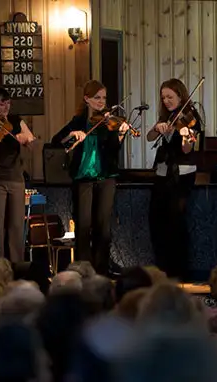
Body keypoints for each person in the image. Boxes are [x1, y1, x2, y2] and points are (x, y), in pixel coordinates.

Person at [51, 80, 131, 276]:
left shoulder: (108, 122)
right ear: (87, 99)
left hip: (106, 176)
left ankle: (102, 269)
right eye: (97, 98)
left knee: (103, 226)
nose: (101, 102)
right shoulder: (78, 121)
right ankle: (83, 270)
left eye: (104, 98)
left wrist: (120, 136)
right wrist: (72, 135)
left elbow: (113, 151)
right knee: (83, 225)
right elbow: (56, 140)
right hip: (83, 177)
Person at [147, 78, 204, 280]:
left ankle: (179, 270)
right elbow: (149, 137)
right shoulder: (167, 117)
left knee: (176, 223)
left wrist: (187, 138)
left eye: (170, 97)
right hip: (163, 173)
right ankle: (162, 267)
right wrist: (157, 128)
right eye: (163, 98)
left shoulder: (191, 117)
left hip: (182, 176)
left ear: (180, 95)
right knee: (157, 220)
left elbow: (187, 149)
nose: (167, 101)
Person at [0, 85, 35, 264]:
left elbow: (31, 139)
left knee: (16, 226)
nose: (7, 107)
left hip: (16, 178)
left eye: (8, 103)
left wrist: (25, 139)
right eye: (2, 103)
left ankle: (17, 267)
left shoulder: (16, 121)